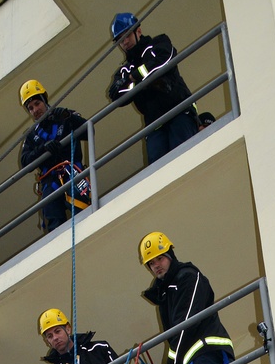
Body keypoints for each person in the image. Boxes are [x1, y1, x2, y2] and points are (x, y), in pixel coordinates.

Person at [138, 230, 234, 364]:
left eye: (160, 259)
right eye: (151, 263)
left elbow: (186, 323)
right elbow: (174, 336)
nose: (156, 265)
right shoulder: (165, 292)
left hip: (207, 349)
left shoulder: (188, 277)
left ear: (170, 255)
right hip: (191, 357)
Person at [107, 12, 199, 165]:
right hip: (155, 125)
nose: (124, 42)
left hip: (179, 111)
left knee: (184, 160)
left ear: (138, 31)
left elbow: (164, 59)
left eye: (127, 36)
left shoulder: (158, 43)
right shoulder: (125, 70)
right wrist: (137, 77)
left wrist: (134, 77)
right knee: (158, 171)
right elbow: (116, 95)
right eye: (120, 40)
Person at [17, 80, 90, 234]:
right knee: (55, 227)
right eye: (30, 108)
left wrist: (69, 116)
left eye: (37, 104)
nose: (35, 110)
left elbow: (89, 131)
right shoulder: (32, 135)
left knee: (85, 217)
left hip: (73, 173)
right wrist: (42, 149)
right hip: (50, 183)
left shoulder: (64, 116)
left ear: (45, 100)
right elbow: (25, 162)